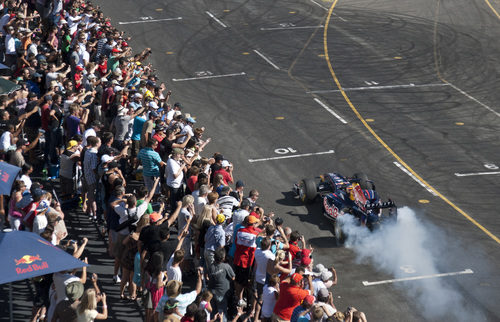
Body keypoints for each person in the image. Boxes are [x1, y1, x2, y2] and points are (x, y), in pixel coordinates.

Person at [207, 248, 235, 320]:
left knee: (213, 312)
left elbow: (207, 276)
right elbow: (233, 277)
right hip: (222, 294)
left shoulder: (211, 267)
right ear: (223, 258)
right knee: (222, 314)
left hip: (212, 293)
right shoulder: (226, 266)